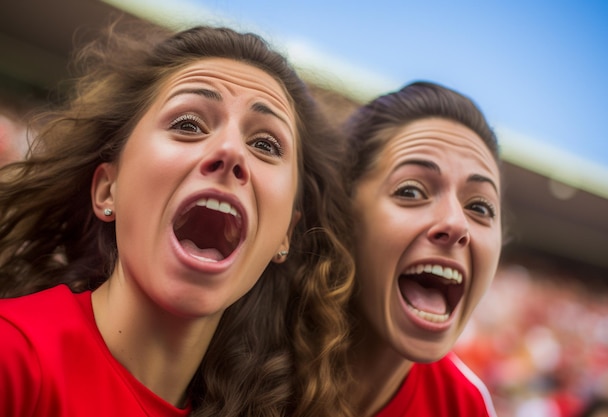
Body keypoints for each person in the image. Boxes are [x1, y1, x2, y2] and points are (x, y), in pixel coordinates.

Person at [0, 21, 354, 417]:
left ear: (285, 233)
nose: (230, 151)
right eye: (188, 124)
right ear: (107, 189)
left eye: (265, 144)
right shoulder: (13, 359)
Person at [342, 81, 502, 416]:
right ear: (342, 213)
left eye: (480, 208)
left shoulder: (464, 406)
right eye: (412, 192)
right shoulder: (227, 349)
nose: (457, 225)